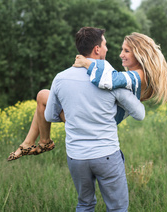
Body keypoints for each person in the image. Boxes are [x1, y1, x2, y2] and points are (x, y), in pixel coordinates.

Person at [7, 31, 167, 161]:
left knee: (43, 96)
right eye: (122, 49)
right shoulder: (136, 75)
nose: (120, 54)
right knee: (43, 98)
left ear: (139, 53)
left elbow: (108, 80)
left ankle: (43, 142)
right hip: (100, 119)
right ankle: (31, 143)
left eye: (126, 51)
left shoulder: (138, 76)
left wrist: (86, 62)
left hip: (98, 119)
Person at [44, 27, 145, 211]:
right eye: (105, 45)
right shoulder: (111, 80)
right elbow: (139, 114)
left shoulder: (60, 79)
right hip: (106, 155)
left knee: (84, 204)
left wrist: (77, 119)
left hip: (77, 157)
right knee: (117, 208)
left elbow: (49, 115)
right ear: (97, 49)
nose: (107, 49)